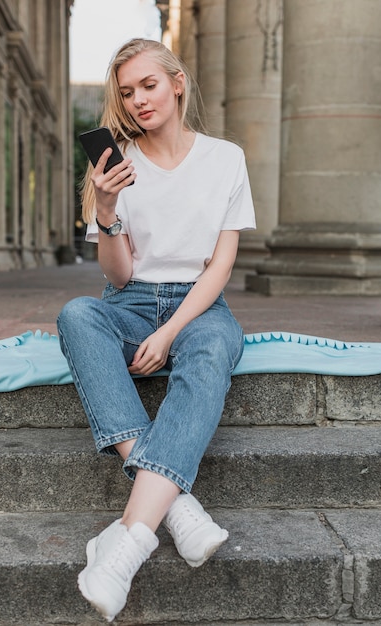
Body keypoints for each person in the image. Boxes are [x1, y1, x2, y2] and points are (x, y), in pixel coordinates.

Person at [57, 38, 255, 623]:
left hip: (198, 305)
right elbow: (116, 275)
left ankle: (129, 540)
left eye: (148, 85)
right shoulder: (112, 169)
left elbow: (220, 266)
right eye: (126, 92)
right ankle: (177, 508)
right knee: (77, 315)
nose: (138, 100)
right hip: (131, 301)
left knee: (214, 346)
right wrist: (107, 210)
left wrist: (169, 333)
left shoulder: (225, 158)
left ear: (176, 84)